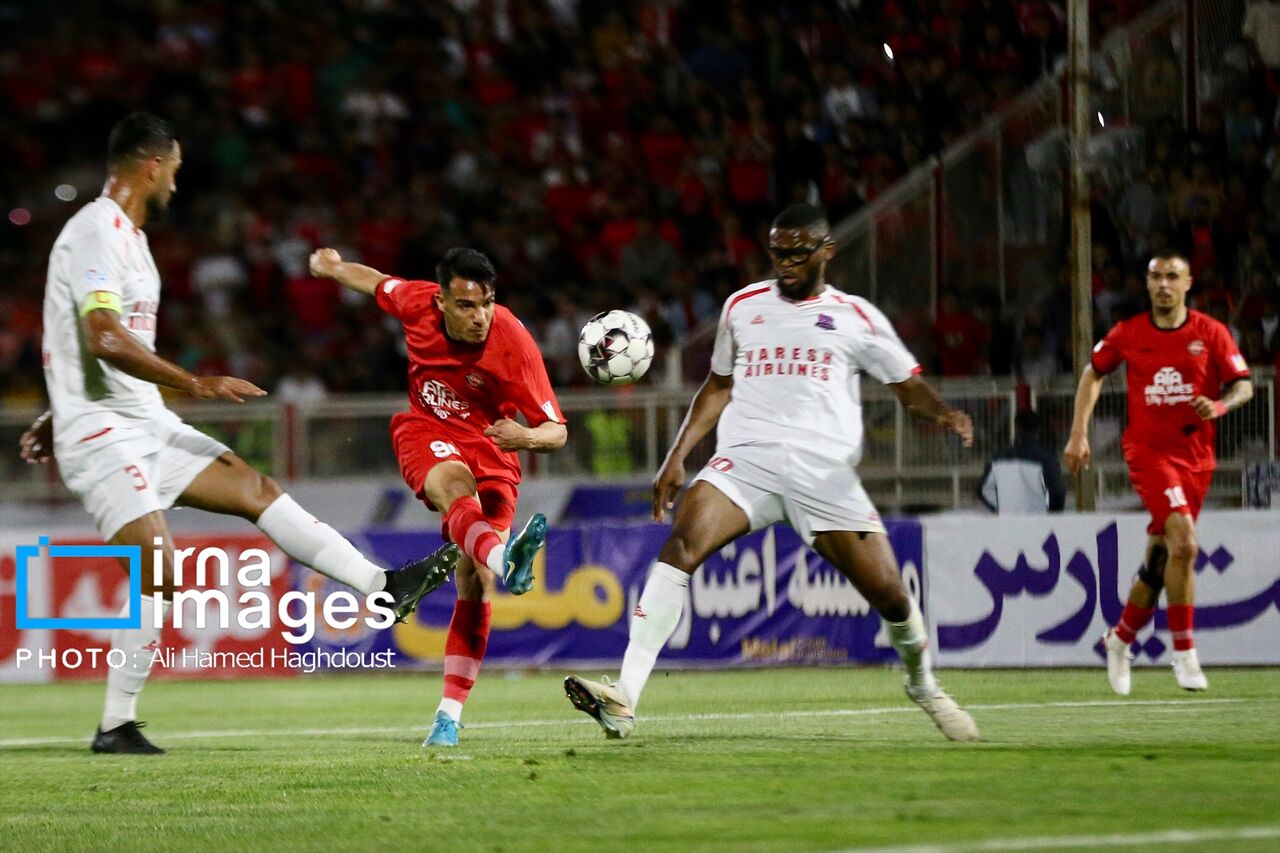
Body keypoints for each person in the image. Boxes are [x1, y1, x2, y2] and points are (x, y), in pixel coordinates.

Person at [19, 112, 456, 755]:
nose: (176, 181)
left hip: (142, 422)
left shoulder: (132, 241)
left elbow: (83, 341)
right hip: (103, 435)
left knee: (255, 489)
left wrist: (58, 406)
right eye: (174, 169)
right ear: (151, 166)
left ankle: (381, 588)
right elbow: (103, 337)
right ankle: (115, 725)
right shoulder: (94, 231)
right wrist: (192, 384)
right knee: (158, 568)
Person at [563, 203, 980, 743]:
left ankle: (923, 684)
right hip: (747, 460)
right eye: (778, 252)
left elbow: (907, 385)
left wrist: (944, 413)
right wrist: (677, 455)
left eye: (798, 253)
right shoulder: (742, 306)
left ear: (827, 251)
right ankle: (624, 697)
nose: (786, 262)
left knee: (892, 597)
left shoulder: (856, 317)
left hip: (822, 472)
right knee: (682, 543)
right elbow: (717, 386)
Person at [308, 245, 567, 748]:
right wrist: (333, 268)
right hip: (428, 432)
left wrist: (526, 437)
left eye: (487, 303)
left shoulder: (513, 340)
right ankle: (506, 559)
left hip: (495, 448)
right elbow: (375, 280)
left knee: (475, 582)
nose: (480, 316)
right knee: (454, 489)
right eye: (466, 305)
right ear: (441, 301)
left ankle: (448, 716)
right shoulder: (416, 302)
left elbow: (556, 430)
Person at [1064, 250, 1253, 694]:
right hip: (1149, 455)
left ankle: (1119, 640)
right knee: (1185, 543)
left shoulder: (1211, 332)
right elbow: (1093, 373)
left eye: (1172, 276)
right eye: (1155, 277)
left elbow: (1243, 385)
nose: (1163, 284)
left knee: (1161, 560)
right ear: (1147, 284)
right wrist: (1078, 433)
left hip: (1197, 458)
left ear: (1188, 283)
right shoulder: (1128, 333)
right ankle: (1184, 654)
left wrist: (1221, 405)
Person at [978, 410, 1066, 514]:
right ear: (1038, 429)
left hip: (1008, 520)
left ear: (1016, 428)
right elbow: (1056, 492)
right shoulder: (1047, 458)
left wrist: (1001, 508)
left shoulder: (998, 459)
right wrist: (1049, 514)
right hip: (1038, 520)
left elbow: (983, 490)